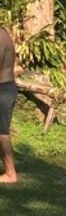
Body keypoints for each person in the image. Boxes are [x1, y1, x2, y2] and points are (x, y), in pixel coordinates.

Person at [0, 24, 18, 183]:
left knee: (2, 133)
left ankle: (10, 174)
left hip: (3, 91)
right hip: (4, 88)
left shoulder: (0, 37)